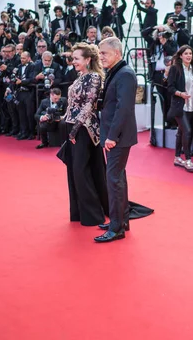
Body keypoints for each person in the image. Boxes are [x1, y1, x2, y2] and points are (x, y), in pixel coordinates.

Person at [95, 37, 138, 243]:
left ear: (117, 54)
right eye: (100, 52)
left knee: (113, 180)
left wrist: (112, 136)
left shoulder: (125, 74)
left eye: (104, 53)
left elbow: (124, 108)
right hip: (114, 135)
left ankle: (116, 228)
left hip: (117, 137)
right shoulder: (117, 71)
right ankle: (121, 220)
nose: (100, 56)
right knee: (118, 178)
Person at [63, 43, 108, 226]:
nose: (73, 61)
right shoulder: (80, 77)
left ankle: (94, 215)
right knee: (74, 171)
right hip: (72, 126)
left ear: (88, 59)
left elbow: (89, 105)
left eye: (76, 58)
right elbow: (72, 105)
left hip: (85, 129)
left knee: (81, 171)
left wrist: (75, 128)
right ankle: (79, 213)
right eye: (73, 58)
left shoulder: (94, 77)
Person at [166, 45, 193, 172]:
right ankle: (188, 159)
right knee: (187, 131)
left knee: (181, 131)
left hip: (192, 105)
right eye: (186, 53)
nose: (189, 56)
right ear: (181, 56)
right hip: (180, 105)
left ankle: (177, 157)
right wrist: (180, 94)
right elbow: (170, 88)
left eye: (190, 53)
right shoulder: (175, 69)